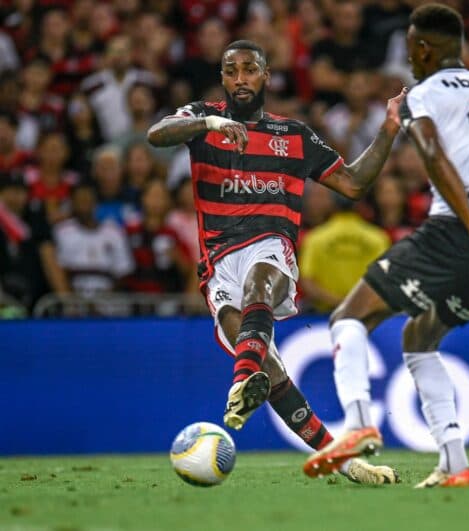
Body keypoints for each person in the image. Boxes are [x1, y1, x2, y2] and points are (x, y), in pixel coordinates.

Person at [305, 4, 469, 487]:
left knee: (348, 318)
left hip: (454, 235)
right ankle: (455, 462)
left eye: (409, 50)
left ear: (424, 49)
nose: (408, 60)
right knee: (418, 340)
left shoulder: (423, 95)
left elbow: (432, 152)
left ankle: (359, 422)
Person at [147, 39, 405, 485]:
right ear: (223, 78)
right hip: (217, 266)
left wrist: (389, 128)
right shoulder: (198, 118)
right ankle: (349, 463)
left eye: (250, 70)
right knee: (273, 373)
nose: (241, 79)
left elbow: (355, 183)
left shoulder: (295, 137)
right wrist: (209, 122)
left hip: (271, 248)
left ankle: (240, 383)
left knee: (261, 282)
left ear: (267, 76)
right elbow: (156, 135)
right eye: (232, 71)